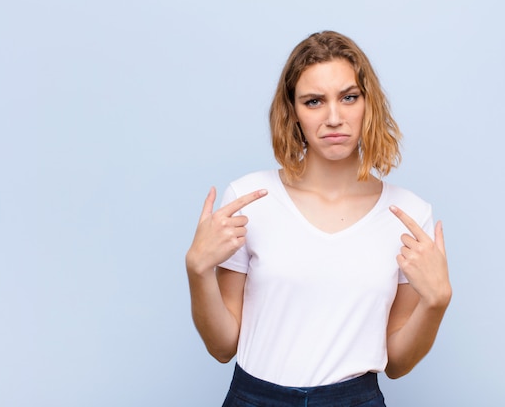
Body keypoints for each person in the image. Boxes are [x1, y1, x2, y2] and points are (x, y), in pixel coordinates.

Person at [185, 31, 452, 406]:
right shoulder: (249, 201)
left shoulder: (408, 216)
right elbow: (222, 345)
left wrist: (436, 302)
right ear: (293, 111)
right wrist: (197, 271)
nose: (333, 118)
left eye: (349, 97)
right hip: (255, 397)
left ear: (368, 103)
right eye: (313, 101)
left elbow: (397, 363)